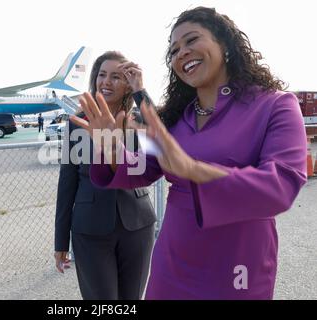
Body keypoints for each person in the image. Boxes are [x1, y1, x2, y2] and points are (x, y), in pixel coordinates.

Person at [71, 7, 307, 299]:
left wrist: (193, 169)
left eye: (191, 40)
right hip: (173, 261)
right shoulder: (176, 118)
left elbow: (281, 186)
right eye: (173, 50)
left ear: (225, 44)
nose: (181, 53)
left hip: (237, 266)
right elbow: (141, 170)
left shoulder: (276, 105)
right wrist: (111, 150)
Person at [54, 51, 156, 300]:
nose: (106, 82)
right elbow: (68, 180)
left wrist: (141, 90)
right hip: (90, 229)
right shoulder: (79, 122)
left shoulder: (139, 119)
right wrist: (60, 241)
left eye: (116, 77)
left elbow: (159, 139)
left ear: (128, 84)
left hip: (137, 225)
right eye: (102, 75)